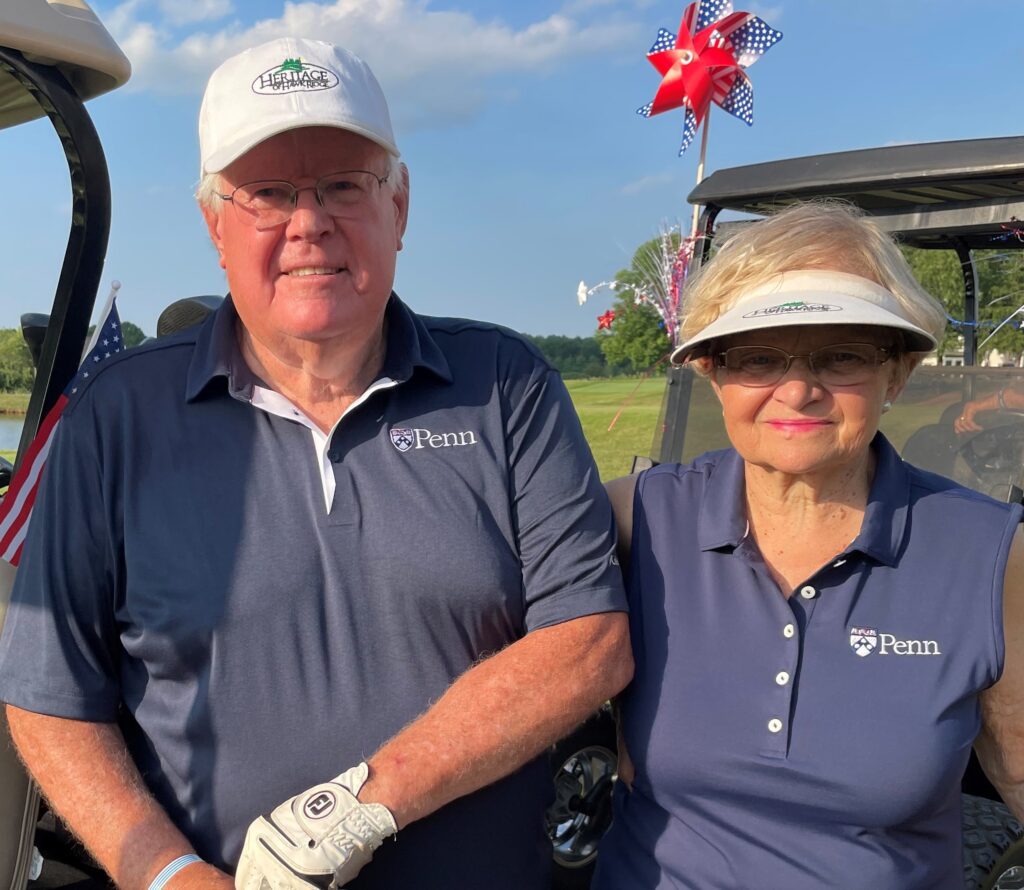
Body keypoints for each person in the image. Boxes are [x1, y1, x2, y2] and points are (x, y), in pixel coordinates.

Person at [0, 38, 632, 890]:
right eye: (268, 193)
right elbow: (49, 697)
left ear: (398, 206)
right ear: (215, 224)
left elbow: (588, 641)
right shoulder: (116, 417)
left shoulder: (505, 384)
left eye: (343, 185)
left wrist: (362, 804)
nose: (309, 223)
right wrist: (169, 875)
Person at [592, 201, 1024, 889]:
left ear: (897, 371)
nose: (797, 390)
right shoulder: (634, 520)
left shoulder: (993, 556)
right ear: (713, 373)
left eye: (842, 356)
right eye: (758, 358)